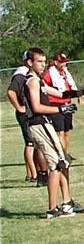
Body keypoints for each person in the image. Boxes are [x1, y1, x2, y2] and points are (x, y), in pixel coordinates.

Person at [19, 48, 84, 218]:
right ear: (30, 63)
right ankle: (54, 207)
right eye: (39, 61)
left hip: (43, 124)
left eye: (44, 61)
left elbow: (60, 93)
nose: (43, 64)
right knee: (57, 163)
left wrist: (83, 92)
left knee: (61, 162)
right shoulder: (32, 81)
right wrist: (60, 108)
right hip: (39, 124)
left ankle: (65, 203)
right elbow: (36, 107)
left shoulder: (39, 81)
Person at [8, 52, 47, 185]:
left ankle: (32, 173)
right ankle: (33, 174)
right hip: (26, 114)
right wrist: (20, 107)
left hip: (28, 112)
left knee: (33, 144)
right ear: (28, 62)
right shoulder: (21, 74)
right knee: (31, 144)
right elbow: (11, 92)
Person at [43, 52, 79, 159]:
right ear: (55, 62)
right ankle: (61, 155)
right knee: (60, 132)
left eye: (65, 62)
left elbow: (70, 85)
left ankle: (66, 153)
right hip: (56, 105)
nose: (64, 64)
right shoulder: (50, 74)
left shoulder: (65, 73)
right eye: (62, 62)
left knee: (67, 132)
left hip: (67, 104)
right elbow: (43, 88)